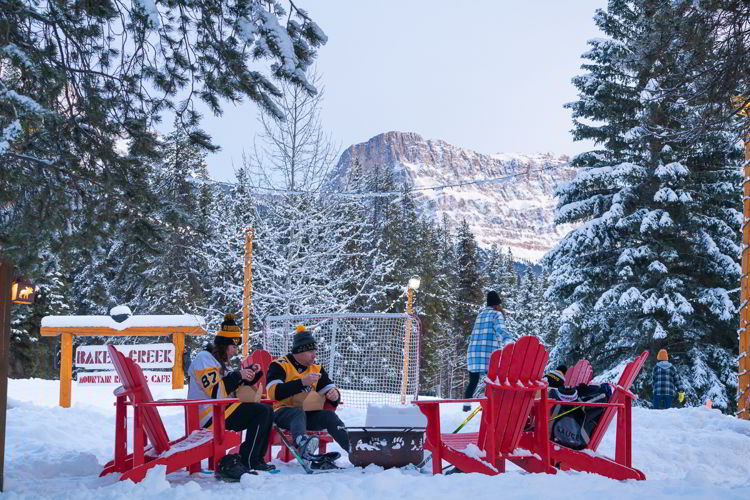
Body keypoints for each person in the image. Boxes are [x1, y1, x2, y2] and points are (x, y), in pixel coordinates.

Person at [187, 313, 275, 479]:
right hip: (209, 416)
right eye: (234, 347)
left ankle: (255, 458)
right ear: (225, 345)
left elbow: (230, 389)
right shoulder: (204, 358)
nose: (235, 352)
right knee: (260, 412)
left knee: (267, 410)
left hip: (221, 411)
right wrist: (237, 376)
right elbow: (215, 393)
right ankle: (248, 459)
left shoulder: (218, 363)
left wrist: (250, 376)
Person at [267, 325, 349, 470]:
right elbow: (274, 392)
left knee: (329, 416)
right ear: (300, 351)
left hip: (308, 413)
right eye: (311, 351)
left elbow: (330, 388)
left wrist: (335, 395)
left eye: (315, 351)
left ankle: (354, 449)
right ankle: (303, 444)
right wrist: (302, 382)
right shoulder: (280, 365)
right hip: (283, 412)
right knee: (297, 413)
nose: (314, 355)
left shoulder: (316, 368)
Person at [463, 290, 511, 411]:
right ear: (497, 304)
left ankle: (466, 407)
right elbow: (501, 329)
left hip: (473, 352)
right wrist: (508, 341)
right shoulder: (496, 314)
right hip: (488, 353)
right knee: (493, 380)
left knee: (473, 381)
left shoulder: (480, 314)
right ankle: (491, 405)